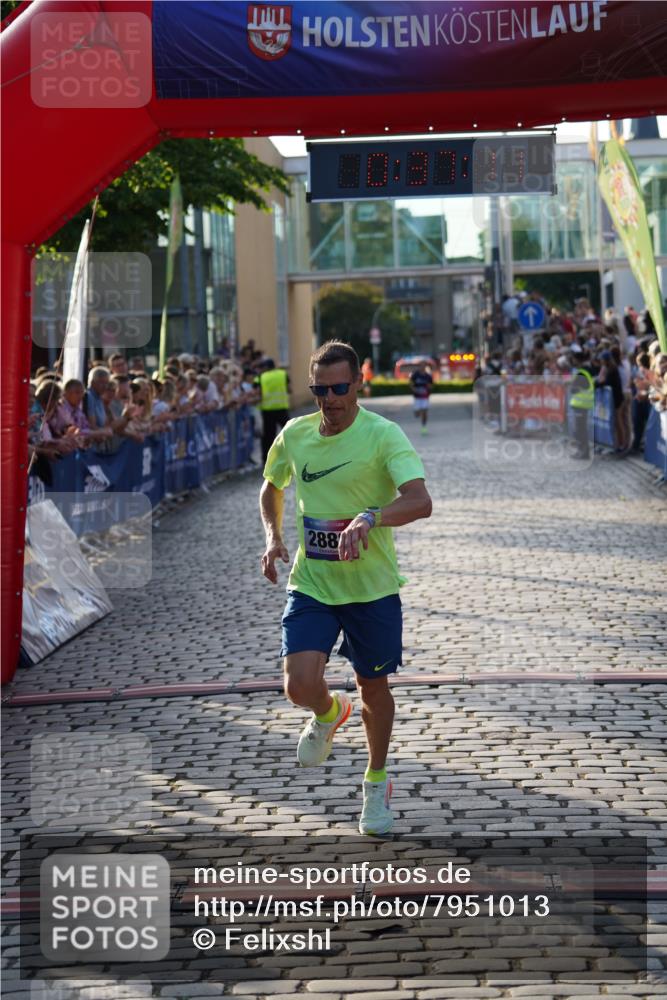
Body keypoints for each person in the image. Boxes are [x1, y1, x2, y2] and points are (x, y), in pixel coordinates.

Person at [259, 339, 432, 836]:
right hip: (313, 581)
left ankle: (375, 783)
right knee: (298, 685)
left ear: (359, 383)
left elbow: (420, 501)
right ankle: (330, 713)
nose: (330, 399)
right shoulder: (294, 435)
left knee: (373, 686)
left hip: (371, 588)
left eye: (339, 388)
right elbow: (272, 485)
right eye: (320, 389)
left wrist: (371, 517)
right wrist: (273, 537)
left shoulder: (383, 435)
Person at [255, 358, 290, 463]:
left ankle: (266, 459)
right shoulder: (283, 374)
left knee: (268, 437)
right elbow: (290, 389)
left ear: (266, 367)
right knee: (289, 433)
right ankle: (292, 455)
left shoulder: (260, 377)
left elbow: (258, 393)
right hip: (282, 408)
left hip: (267, 410)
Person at [568, 349, 596, 459]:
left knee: (580, 429)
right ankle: (582, 451)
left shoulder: (582, 372)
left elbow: (574, 389)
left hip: (580, 404)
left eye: (574, 360)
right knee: (581, 428)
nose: (573, 362)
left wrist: (571, 385)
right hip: (584, 404)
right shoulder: (588, 369)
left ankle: (583, 452)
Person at [410, 360, 433, 434]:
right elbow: (411, 383)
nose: (422, 367)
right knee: (417, 414)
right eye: (421, 365)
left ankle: (424, 427)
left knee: (425, 412)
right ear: (419, 366)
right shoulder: (415, 375)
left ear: (426, 366)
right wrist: (414, 390)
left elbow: (431, 385)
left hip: (425, 397)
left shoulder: (428, 376)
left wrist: (428, 388)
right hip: (417, 397)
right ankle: (417, 412)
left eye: (424, 365)